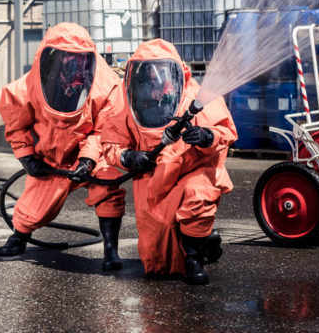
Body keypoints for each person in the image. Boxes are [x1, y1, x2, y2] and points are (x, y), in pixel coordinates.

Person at [101, 38, 236, 284]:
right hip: (152, 180)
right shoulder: (128, 101)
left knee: (198, 195)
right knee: (157, 264)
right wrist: (128, 157)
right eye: (148, 73)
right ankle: (206, 242)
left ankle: (194, 258)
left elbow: (225, 131)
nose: (155, 78)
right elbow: (111, 144)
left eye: (161, 71)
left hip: (192, 170)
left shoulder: (198, 95)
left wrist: (207, 136)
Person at [0, 22, 126, 271]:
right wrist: (27, 158)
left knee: (107, 184)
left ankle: (111, 250)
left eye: (76, 58)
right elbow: (16, 125)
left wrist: (87, 160)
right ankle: (20, 236)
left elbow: (104, 129)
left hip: (90, 153)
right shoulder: (27, 87)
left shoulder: (105, 84)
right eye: (64, 57)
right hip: (50, 158)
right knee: (33, 210)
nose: (71, 63)